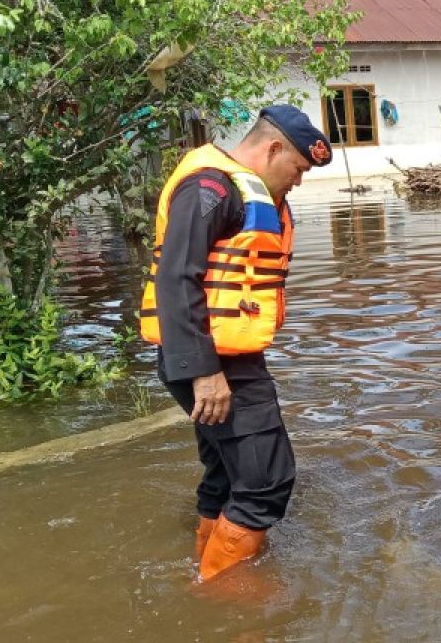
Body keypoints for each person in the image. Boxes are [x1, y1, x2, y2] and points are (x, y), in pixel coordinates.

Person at [139, 103, 333, 582]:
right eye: (298, 168)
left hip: (222, 358)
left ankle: (203, 575)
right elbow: (176, 278)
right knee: (267, 481)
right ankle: (228, 601)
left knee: (227, 476)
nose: (299, 181)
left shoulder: (236, 191)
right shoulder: (210, 188)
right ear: (272, 149)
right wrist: (204, 372)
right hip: (213, 364)